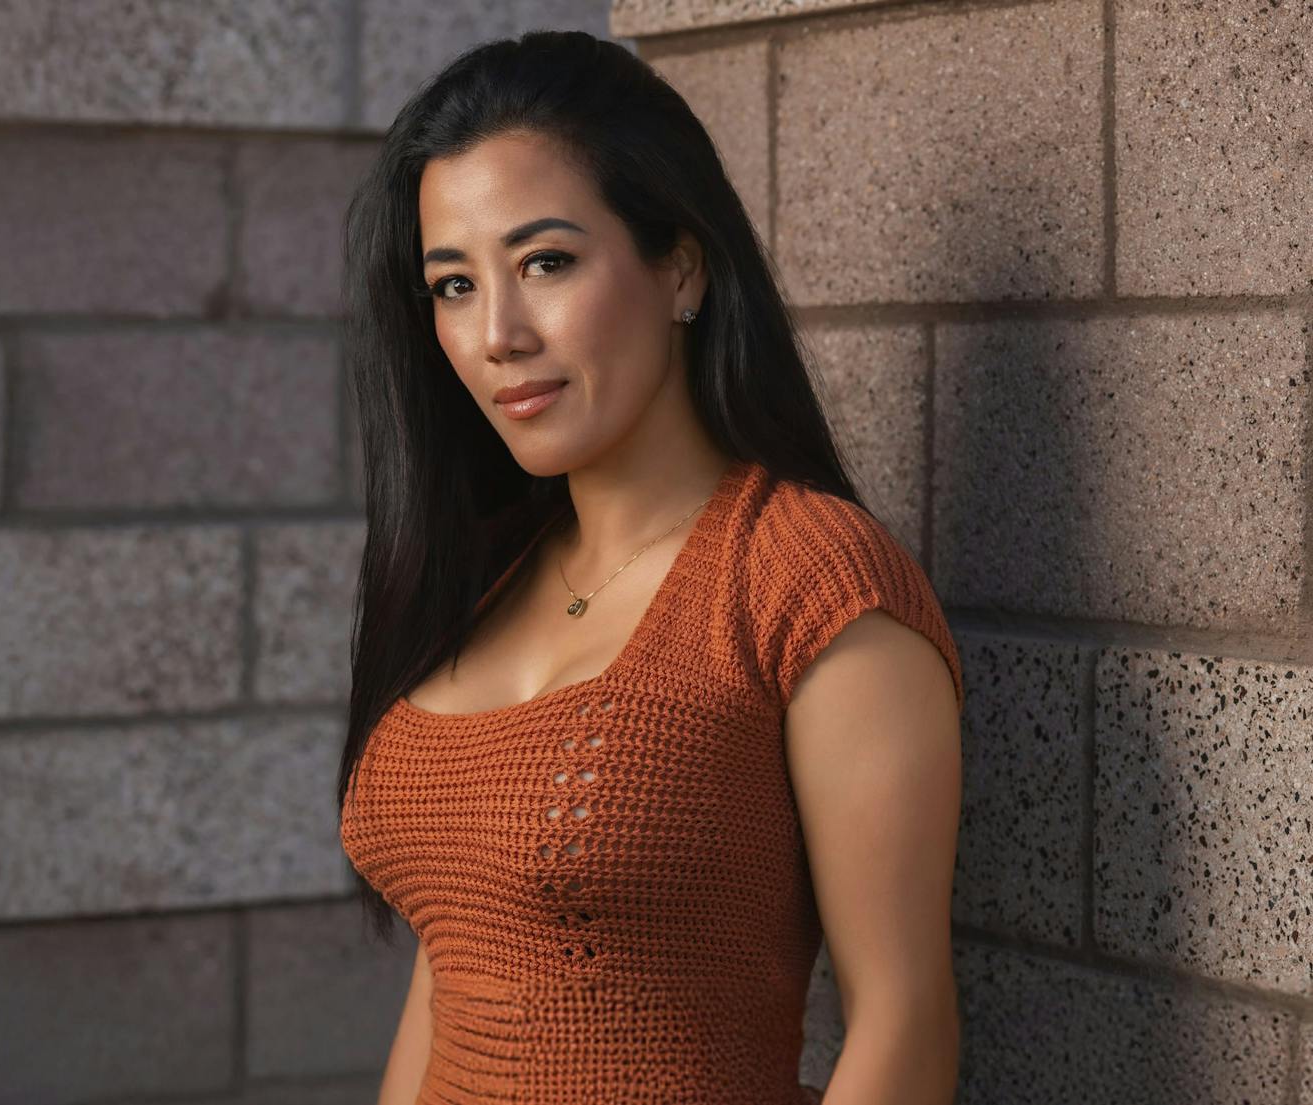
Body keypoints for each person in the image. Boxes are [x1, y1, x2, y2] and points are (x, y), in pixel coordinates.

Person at [335, 29, 965, 1105]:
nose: (496, 333)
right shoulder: (486, 575)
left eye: (545, 263)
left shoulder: (807, 585)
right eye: (451, 284)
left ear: (679, 265)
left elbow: (903, 1023)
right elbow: (452, 974)